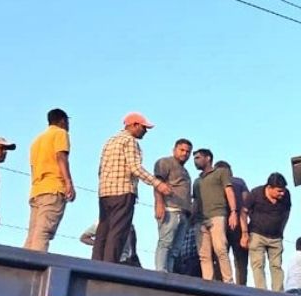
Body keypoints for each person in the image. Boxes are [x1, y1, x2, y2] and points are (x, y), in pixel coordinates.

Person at [95, 113, 171, 263]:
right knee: (117, 232)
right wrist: (158, 184)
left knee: (103, 231)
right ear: (134, 125)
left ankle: (95, 264)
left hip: (104, 192)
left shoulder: (110, 141)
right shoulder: (130, 141)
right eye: (144, 127)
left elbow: (100, 169)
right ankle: (108, 267)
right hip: (123, 191)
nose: (145, 131)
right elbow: (135, 168)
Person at [24, 108, 75, 251]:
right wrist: (68, 183)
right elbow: (61, 157)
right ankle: (35, 268)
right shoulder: (60, 133)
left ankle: (23, 267)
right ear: (63, 121)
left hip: (36, 190)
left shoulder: (37, 141)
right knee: (44, 233)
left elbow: (33, 167)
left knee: (32, 235)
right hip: (53, 188)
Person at [190, 149, 238, 282]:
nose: (196, 161)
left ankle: (228, 281)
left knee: (220, 249)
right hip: (200, 220)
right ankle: (208, 283)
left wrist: (233, 212)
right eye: (195, 158)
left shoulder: (221, 173)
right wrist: (191, 219)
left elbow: (229, 191)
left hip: (217, 215)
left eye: (198, 158)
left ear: (208, 158)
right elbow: (195, 201)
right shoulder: (197, 181)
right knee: (204, 255)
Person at [152, 139, 193, 272]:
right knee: (165, 242)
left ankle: (168, 273)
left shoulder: (185, 171)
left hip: (183, 212)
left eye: (188, 152)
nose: (185, 154)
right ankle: (160, 271)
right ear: (174, 149)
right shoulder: (165, 162)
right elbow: (158, 183)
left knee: (176, 249)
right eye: (182, 150)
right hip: (170, 209)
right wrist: (159, 204)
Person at [246, 172, 292, 291]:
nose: (282, 193)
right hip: (257, 234)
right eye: (279, 191)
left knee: (276, 266)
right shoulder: (255, 193)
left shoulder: (286, 196)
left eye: (283, 190)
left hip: (276, 237)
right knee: (258, 264)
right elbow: (243, 212)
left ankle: (278, 293)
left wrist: (281, 230)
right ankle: (261, 291)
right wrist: (244, 233)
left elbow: (287, 213)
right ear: (269, 188)